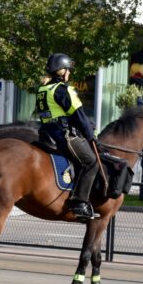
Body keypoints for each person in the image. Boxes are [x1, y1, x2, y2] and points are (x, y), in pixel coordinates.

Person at [34, 53, 98, 220]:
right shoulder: (63, 90)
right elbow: (79, 115)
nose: (69, 72)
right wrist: (91, 136)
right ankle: (80, 203)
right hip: (63, 134)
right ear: (61, 71)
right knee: (91, 162)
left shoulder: (42, 89)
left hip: (46, 133)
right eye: (68, 69)